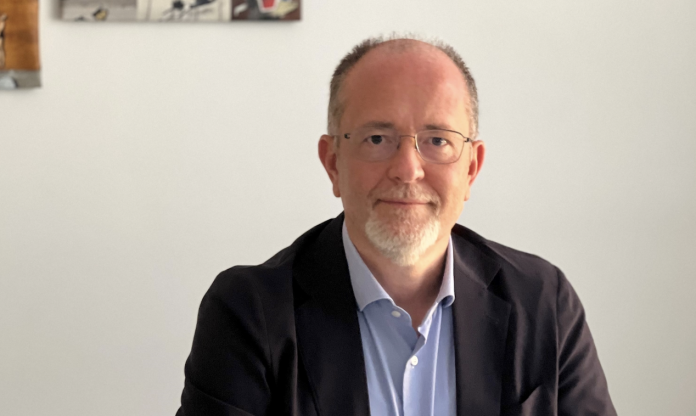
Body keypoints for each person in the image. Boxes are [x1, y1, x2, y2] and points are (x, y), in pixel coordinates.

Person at [176, 36, 617, 416]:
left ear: (471, 169)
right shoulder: (249, 311)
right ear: (333, 164)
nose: (408, 169)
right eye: (376, 139)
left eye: (437, 140)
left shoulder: (542, 301)